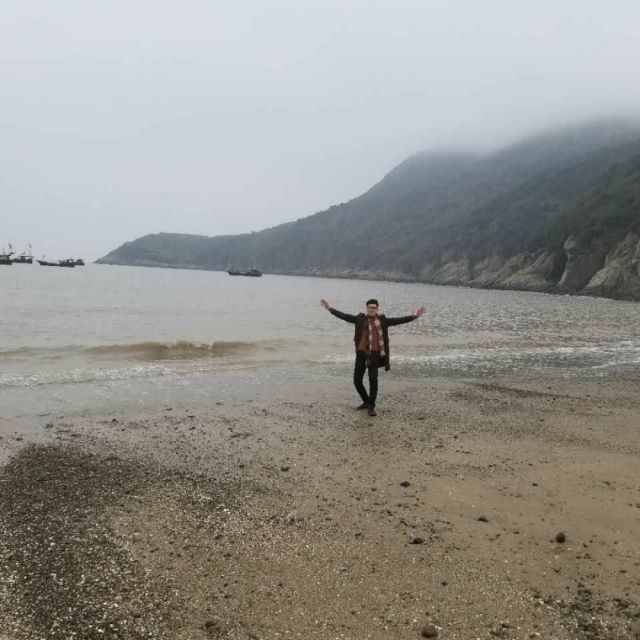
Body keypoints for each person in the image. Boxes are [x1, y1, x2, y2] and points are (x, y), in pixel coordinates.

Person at [320, 298, 425, 416]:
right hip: (361, 353)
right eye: (370, 307)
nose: (372, 309)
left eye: (374, 308)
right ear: (367, 308)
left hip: (375, 354)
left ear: (377, 309)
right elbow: (344, 316)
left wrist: (415, 316)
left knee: (373, 380)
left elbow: (399, 320)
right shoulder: (359, 319)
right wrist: (329, 308)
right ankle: (366, 401)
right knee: (357, 380)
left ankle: (371, 406)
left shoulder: (383, 321)